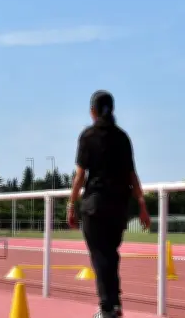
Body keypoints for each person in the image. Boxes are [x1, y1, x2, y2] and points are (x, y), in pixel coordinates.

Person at [66, 90, 152, 318]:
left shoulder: (88, 136)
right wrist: (142, 206)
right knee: (110, 255)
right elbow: (133, 176)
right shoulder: (123, 138)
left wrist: (71, 204)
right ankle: (113, 304)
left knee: (100, 255)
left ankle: (107, 307)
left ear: (92, 111)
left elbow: (80, 176)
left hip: (95, 205)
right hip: (118, 207)